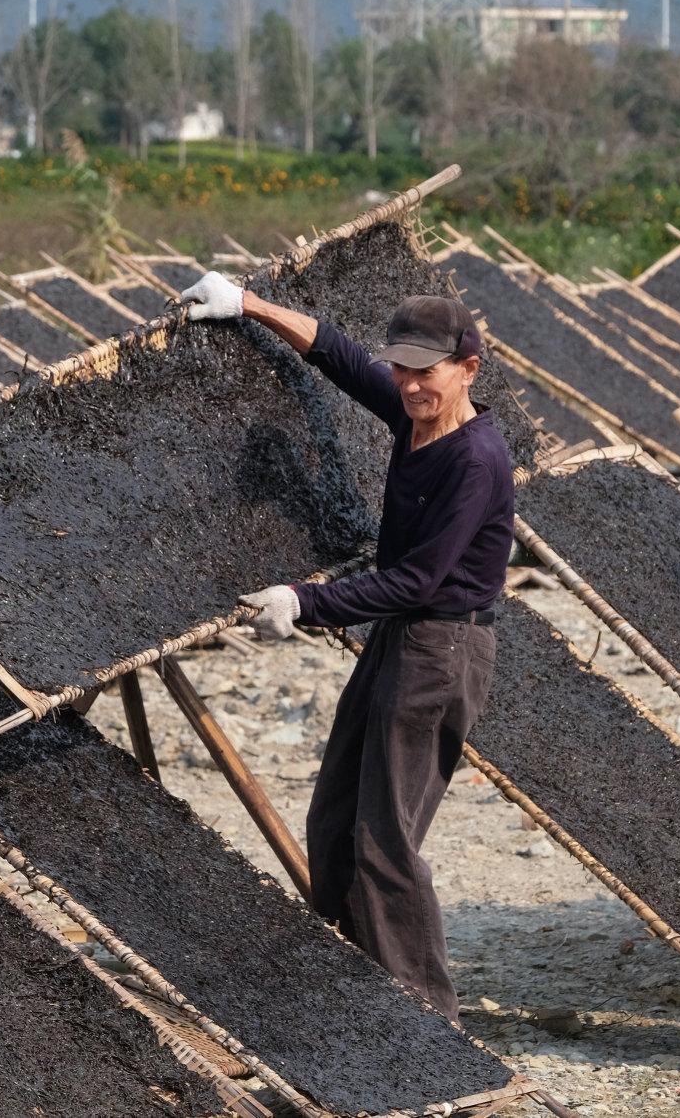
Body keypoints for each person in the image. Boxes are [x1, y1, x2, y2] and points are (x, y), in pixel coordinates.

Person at [178, 271, 514, 1022]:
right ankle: (369, 994)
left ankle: (428, 1027)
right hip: (402, 641)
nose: (408, 385)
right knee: (333, 822)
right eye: (402, 369)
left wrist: (305, 602)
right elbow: (339, 355)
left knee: (384, 840)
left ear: (468, 368)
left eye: (424, 373)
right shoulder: (414, 415)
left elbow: (420, 580)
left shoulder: (475, 461)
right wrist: (249, 304)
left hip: (443, 648)